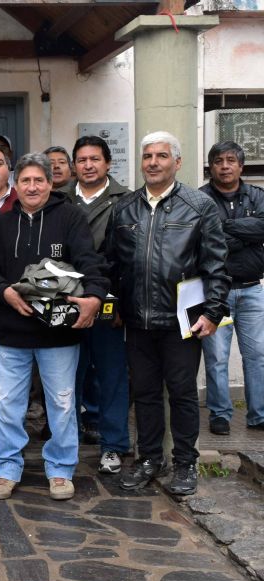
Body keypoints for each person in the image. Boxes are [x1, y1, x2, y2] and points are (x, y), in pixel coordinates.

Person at [0, 152, 109, 501]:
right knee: (8, 404)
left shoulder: (71, 218)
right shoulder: (0, 224)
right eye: (26, 180)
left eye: (39, 180)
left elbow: (90, 262)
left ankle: (61, 469)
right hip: (11, 331)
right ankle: (7, 467)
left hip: (58, 333)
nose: (32, 187)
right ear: (16, 185)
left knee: (62, 404)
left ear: (51, 183)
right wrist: (5, 292)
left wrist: (95, 296)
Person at [107, 131, 229, 496]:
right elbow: (113, 263)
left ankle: (185, 463)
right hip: (137, 321)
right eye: (147, 156)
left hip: (182, 322)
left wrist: (212, 312)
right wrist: (116, 307)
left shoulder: (199, 206)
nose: (153, 162)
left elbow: (216, 264)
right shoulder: (125, 208)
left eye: (161, 156)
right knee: (144, 394)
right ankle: (149, 459)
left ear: (177, 162)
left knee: (182, 394)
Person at [63, 135, 132, 474]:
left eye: (94, 159)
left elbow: (130, 258)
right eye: (82, 160)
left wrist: (121, 304)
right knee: (65, 377)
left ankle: (114, 445)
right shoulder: (60, 198)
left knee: (111, 375)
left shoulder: (126, 200)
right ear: (74, 165)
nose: (88, 165)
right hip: (67, 300)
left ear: (108, 163)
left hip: (108, 302)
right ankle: (66, 446)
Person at [200, 140, 264, 435]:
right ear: (210, 167)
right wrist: (246, 232)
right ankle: (220, 414)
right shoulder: (200, 198)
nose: (224, 166)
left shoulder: (257, 196)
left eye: (230, 161)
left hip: (252, 289)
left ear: (241, 166)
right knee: (216, 358)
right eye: (218, 161)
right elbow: (204, 238)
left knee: (257, 356)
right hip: (216, 292)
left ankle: (258, 414)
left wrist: (224, 228)